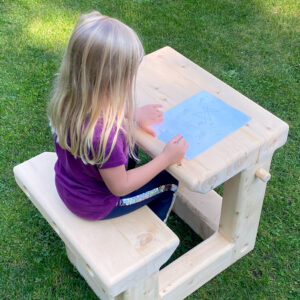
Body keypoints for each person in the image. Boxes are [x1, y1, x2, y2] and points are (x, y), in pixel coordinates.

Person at [48, 11, 188, 222]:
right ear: (112, 81)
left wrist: (134, 114)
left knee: (132, 148)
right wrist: (166, 158)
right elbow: (120, 187)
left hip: (69, 183)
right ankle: (149, 238)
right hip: (98, 204)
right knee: (168, 180)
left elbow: (103, 105)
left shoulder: (67, 99)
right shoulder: (106, 138)